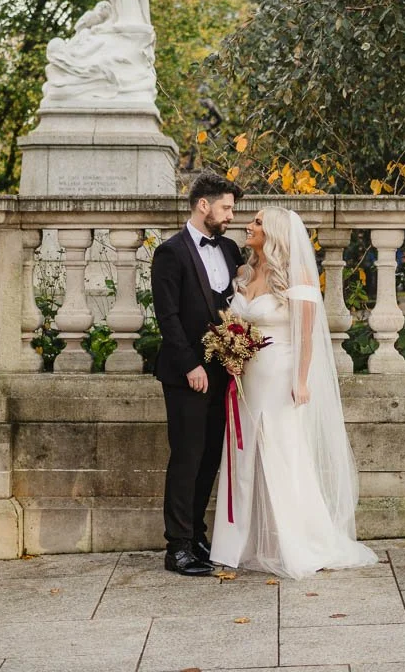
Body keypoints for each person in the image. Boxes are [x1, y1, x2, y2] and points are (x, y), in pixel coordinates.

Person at [210, 206, 377, 579]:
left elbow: (306, 333)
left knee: (282, 451)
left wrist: (301, 381)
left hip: (280, 374)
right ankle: (242, 542)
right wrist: (230, 355)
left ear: (273, 233)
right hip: (247, 377)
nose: (249, 226)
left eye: (257, 222)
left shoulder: (296, 276)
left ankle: (299, 540)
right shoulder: (246, 273)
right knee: (244, 452)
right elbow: (236, 325)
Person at [150, 172, 244, 575]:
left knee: (209, 458)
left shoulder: (230, 249)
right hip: (186, 373)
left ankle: (197, 535)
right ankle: (177, 547)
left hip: (224, 372)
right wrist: (190, 364)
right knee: (187, 457)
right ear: (203, 205)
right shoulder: (169, 253)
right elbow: (167, 316)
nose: (231, 216)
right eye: (226, 208)